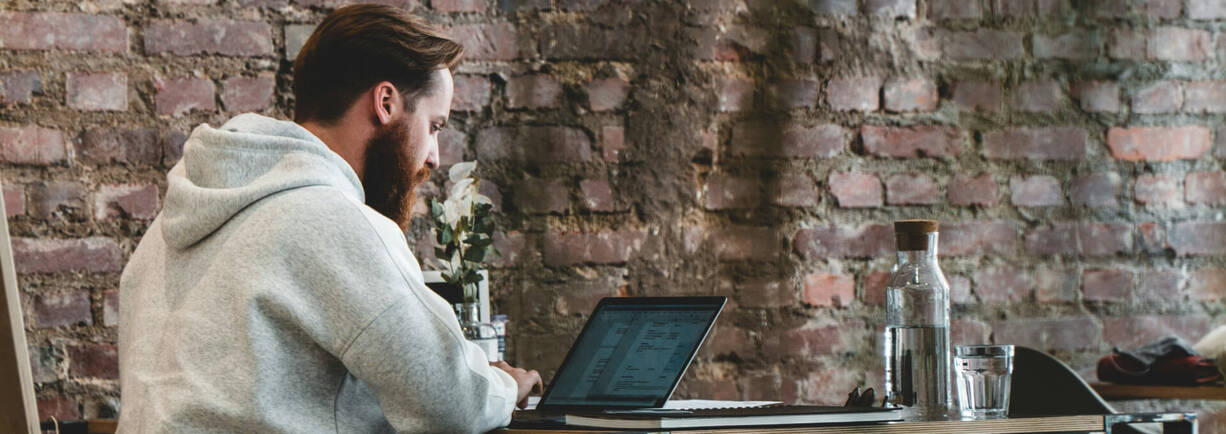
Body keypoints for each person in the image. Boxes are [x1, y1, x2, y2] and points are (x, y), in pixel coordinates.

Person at [117, 5, 541, 433]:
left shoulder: (166, 231)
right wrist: (504, 385)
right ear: (386, 102)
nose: (433, 156)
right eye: (434, 126)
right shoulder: (333, 221)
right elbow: (452, 401)